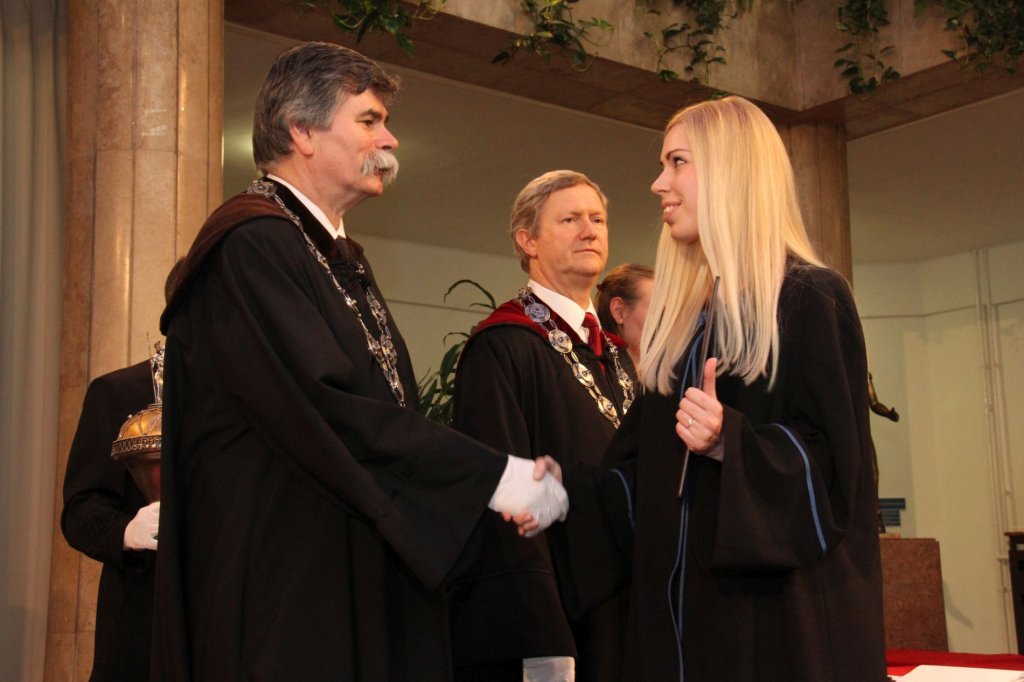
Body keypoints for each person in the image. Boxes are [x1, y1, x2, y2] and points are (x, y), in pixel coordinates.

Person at [153, 42, 567, 682]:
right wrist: (492, 478)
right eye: (369, 120)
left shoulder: (329, 252)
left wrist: (479, 486)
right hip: (284, 580)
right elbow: (328, 405)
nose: (391, 140)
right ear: (302, 131)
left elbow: (382, 406)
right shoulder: (253, 245)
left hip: (340, 560)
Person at [524, 96, 887, 681]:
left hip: (772, 634)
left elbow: (835, 473)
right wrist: (558, 494)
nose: (658, 184)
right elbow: (641, 478)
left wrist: (729, 443)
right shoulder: (688, 323)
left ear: (730, 171)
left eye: (678, 162)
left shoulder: (809, 299)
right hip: (685, 629)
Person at [448, 170, 634, 682]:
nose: (589, 230)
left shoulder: (618, 354)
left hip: (628, 604)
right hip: (559, 614)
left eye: (597, 219)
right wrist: (543, 636)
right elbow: (505, 505)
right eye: (570, 220)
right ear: (527, 241)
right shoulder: (501, 346)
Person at [61, 265, 183, 682]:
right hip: (143, 623)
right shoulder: (119, 391)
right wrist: (128, 531)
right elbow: (81, 510)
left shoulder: (249, 394)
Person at [595, 262, 653, 367]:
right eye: (656, 309)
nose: (667, 321)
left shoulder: (670, 370)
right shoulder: (595, 370)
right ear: (619, 311)